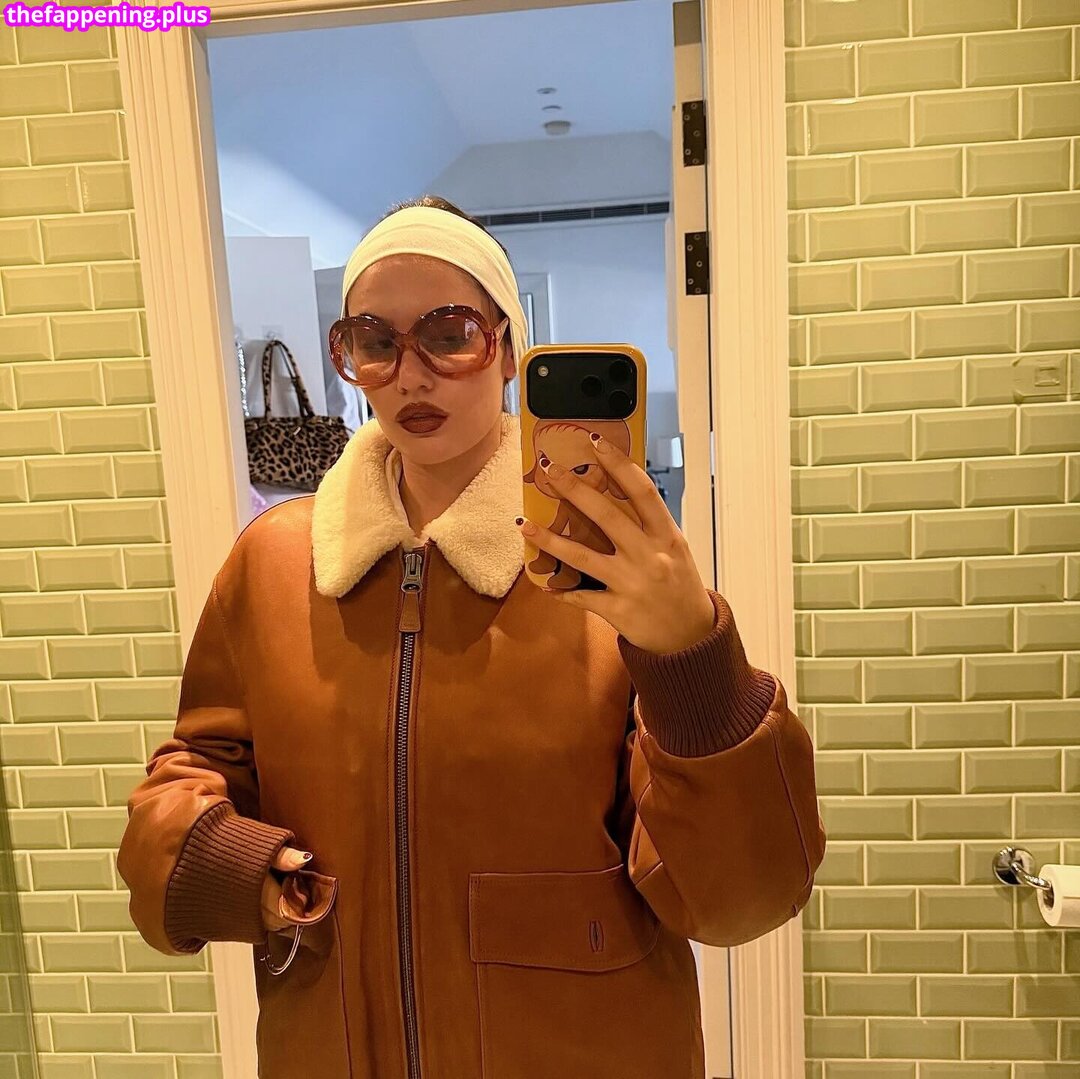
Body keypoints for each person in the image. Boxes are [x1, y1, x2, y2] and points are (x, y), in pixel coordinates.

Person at [117, 195, 826, 1079]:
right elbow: (193, 767)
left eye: (449, 334)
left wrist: (691, 655)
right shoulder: (273, 564)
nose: (410, 375)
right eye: (374, 340)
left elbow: (739, 899)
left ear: (507, 348)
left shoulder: (605, 572)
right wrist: (234, 866)